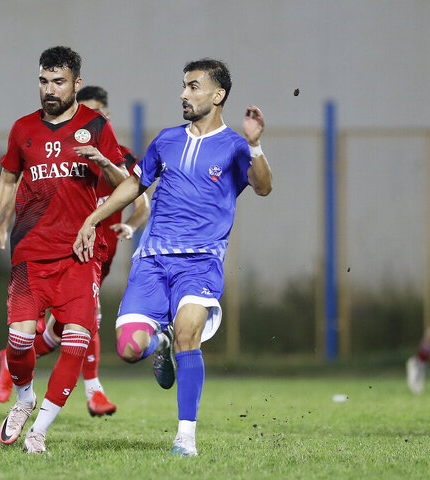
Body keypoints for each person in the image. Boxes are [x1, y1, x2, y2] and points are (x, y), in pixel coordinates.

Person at [73, 58, 273, 457]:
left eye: (194, 87)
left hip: (200, 263)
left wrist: (254, 144)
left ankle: (185, 438)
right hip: (152, 260)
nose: (184, 94)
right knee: (129, 349)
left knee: (188, 334)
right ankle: (158, 341)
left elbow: (263, 186)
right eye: (184, 86)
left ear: (218, 96)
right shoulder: (166, 139)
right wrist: (94, 218)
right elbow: (134, 184)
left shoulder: (235, 146)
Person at [0, 46, 129, 454]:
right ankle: (24, 399)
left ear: (76, 83)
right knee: (20, 343)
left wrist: (104, 163)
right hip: (30, 254)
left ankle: (39, 430)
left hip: (79, 256)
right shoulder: (23, 129)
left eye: (58, 81)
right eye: (43, 81)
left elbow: (125, 184)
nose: (49, 89)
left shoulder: (95, 126)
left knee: (75, 341)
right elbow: (6, 183)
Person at [0, 86, 150, 417]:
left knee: (59, 333)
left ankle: (11, 360)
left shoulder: (120, 159)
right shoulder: (62, 154)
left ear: (104, 118)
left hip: (99, 254)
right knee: (81, 325)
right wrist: (1, 226)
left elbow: (142, 203)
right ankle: (93, 392)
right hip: (66, 254)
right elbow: (21, 186)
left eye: (94, 116)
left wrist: (131, 227)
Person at [406, 327, 430, 394]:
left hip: (422, 363)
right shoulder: (424, 343)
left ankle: (418, 390)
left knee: (420, 377)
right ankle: (415, 389)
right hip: (417, 362)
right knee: (414, 377)